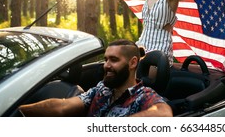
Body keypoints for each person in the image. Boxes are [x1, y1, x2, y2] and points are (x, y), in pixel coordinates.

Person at [18, 39, 173, 117]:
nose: (106, 65)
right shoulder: (101, 89)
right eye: (106, 60)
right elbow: (62, 106)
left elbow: (164, 113)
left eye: (114, 60)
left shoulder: (143, 95)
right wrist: (19, 111)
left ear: (132, 63)